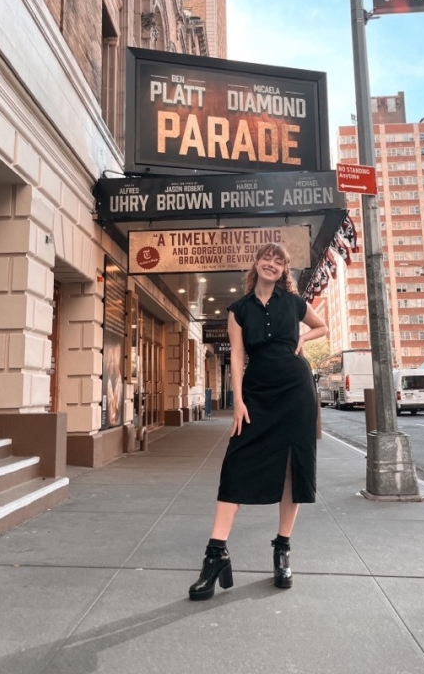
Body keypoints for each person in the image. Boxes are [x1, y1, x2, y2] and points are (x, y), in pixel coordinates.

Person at [189, 243, 328, 601]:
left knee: (292, 470)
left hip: (296, 392)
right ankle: (215, 554)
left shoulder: (294, 303)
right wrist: (237, 401)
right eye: (267, 258)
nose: (272, 264)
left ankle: (282, 550)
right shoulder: (238, 310)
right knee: (236, 463)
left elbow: (321, 326)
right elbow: (236, 355)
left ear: (284, 270)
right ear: (256, 264)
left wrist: (303, 336)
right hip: (258, 395)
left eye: (279, 261)